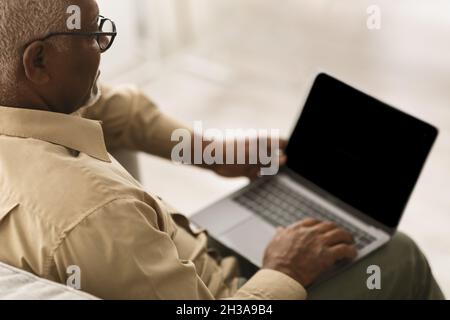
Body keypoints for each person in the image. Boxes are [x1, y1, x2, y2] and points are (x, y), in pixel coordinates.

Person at [0, 0, 444, 299]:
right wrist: (285, 270)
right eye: (94, 36)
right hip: (232, 294)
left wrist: (210, 150)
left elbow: (112, 104)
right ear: (38, 62)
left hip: (187, 254)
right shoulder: (96, 212)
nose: (103, 46)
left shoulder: (20, 99)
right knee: (398, 252)